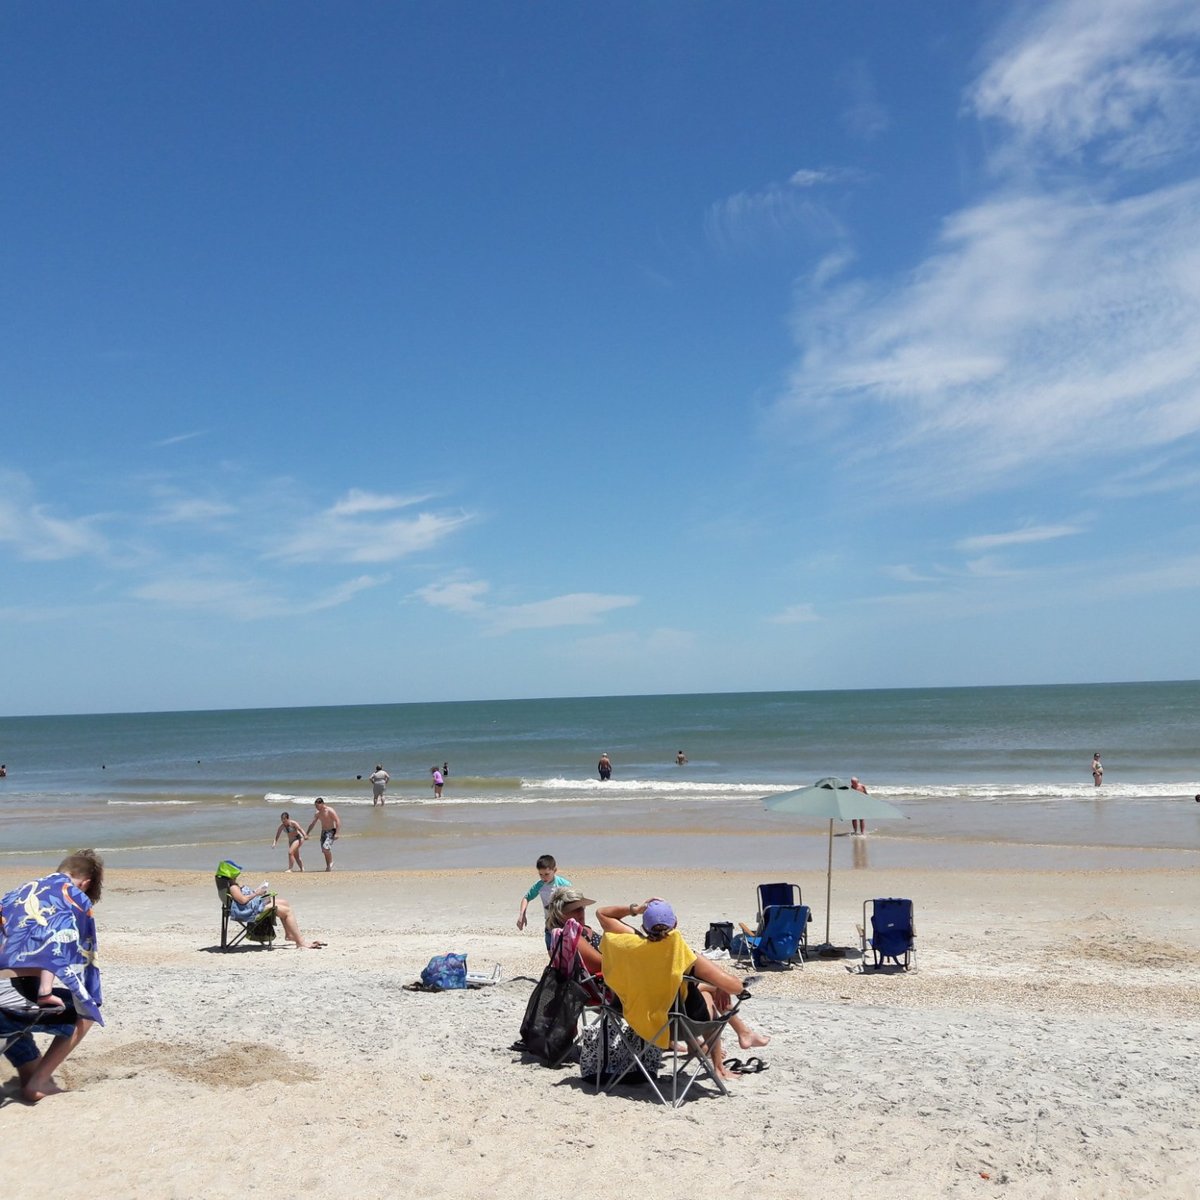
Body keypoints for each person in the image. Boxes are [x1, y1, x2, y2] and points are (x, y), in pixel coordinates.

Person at [595, 897, 768, 1078]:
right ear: (675, 923)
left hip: (638, 1017)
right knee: (710, 996)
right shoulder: (681, 954)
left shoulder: (630, 944)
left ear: (645, 927)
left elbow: (602, 913)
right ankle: (719, 1068)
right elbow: (736, 987)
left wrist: (637, 909)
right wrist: (721, 986)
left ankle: (743, 1034)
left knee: (705, 989)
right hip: (680, 1026)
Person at [0, 849, 105, 1102]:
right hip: (9, 996)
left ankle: (30, 1072)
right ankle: (37, 1084)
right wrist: (46, 990)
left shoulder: (17, 894)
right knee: (88, 1010)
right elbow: (58, 938)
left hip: (5, 993)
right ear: (86, 882)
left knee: (21, 1016)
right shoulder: (71, 896)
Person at [224, 866, 325, 949]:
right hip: (249, 911)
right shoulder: (233, 887)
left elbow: (243, 899)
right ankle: (300, 942)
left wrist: (258, 893)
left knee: (284, 902)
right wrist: (256, 893)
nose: (237, 875)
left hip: (250, 906)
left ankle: (289, 935)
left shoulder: (232, 885)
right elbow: (243, 900)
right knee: (287, 911)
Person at [516, 854, 572, 951]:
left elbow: (575, 902)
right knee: (550, 950)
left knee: (565, 952)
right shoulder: (540, 885)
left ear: (554, 870)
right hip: (549, 923)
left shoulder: (564, 884)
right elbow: (526, 898)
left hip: (564, 923)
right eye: (540, 874)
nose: (543, 878)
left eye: (546, 874)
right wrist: (522, 914)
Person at [305, 797, 341, 871]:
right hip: (323, 832)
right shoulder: (318, 813)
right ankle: (328, 866)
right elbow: (312, 823)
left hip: (331, 831)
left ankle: (331, 862)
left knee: (325, 848)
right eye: (315, 806)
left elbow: (337, 821)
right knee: (324, 851)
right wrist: (307, 833)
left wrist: (337, 833)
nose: (316, 808)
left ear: (322, 804)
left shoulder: (330, 810)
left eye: (317, 806)